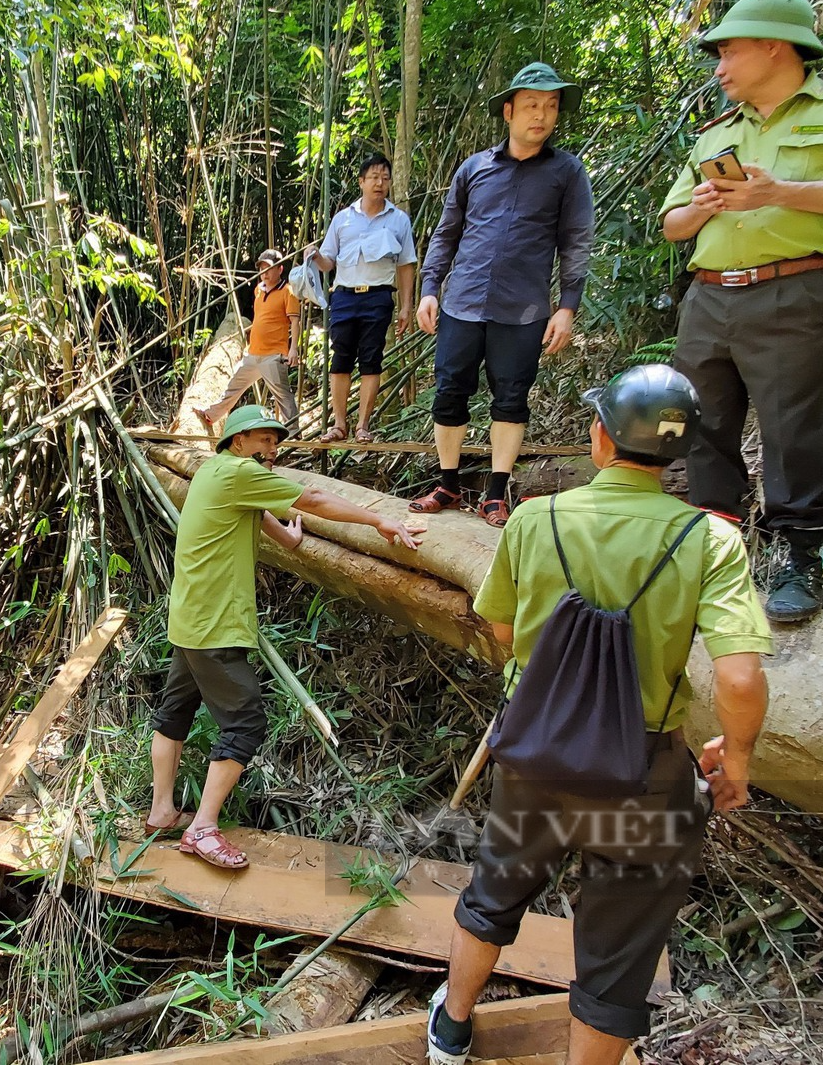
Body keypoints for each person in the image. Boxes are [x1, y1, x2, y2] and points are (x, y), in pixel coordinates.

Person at [426, 365, 771, 1065]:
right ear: (677, 453)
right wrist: (735, 759)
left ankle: (452, 1027)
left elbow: (499, 629)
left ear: (601, 438)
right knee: (620, 948)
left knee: (495, 891)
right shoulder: (710, 540)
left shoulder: (535, 518)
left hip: (538, 753)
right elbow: (739, 673)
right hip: (645, 769)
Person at [659, 0, 823, 624]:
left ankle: (800, 562)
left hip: (790, 289)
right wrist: (702, 206)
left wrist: (780, 192)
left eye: (729, 52)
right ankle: (714, 555)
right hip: (709, 294)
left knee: (791, 428)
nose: (719, 67)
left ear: (774, 46)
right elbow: (672, 225)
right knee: (701, 426)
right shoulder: (718, 132)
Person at [153, 405, 421, 868]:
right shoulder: (239, 472)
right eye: (263, 440)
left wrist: (291, 540)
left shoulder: (217, 473)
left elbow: (266, 524)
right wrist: (380, 520)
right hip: (214, 625)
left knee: (175, 711)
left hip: (188, 618)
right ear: (237, 442)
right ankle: (202, 829)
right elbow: (312, 499)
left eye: (276, 442)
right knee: (246, 722)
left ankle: (162, 813)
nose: (272, 450)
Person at [413, 62, 596, 528]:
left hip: (524, 308)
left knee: (511, 398)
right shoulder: (473, 169)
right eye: (532, 105)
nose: (542, 115)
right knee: (450, 392)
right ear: (509, 111)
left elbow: (576, 241)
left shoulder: (567, 173)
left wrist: (567, 307)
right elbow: (446, 234)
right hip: (463, 301)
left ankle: (496, 494)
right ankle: (447, 484)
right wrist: (429, 288)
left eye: (551, 106)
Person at [304, 152, 420, 443]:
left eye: (385, 177)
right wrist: (315, 256)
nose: (380, 183)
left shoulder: (399, 220)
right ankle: (339, 424)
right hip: (344, 295)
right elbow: (329, 261)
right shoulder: (343, 218)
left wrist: (407, 306)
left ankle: (363, 426)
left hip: (378, 296)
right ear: (361, 181)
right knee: (340, 359)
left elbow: (406, 264)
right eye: (374, 177)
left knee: (371, 359)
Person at [198, 250, 302, 429]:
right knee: (233, 386)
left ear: (280, 269)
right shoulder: (258, 291)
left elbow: (295, 322)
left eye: (268, 268)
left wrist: (293, 349)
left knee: (283, 395)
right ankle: (210, 415)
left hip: (274, 354)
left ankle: (293, 430)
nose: (265, 273)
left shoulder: (288, 292)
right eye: (262, 268)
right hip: (253, 353)